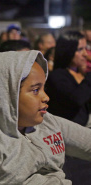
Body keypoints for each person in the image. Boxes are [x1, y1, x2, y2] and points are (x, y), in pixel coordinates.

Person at [0, 50, 91, 184]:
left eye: (44, 88)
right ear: (7, 95)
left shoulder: (49, 123)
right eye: (35, 90)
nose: (46, 97)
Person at [45, 31, 91, 185]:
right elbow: (77, 98)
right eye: (80, 49)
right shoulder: (58, 76)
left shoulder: (82, 75)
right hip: (70, 144)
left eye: (86, 48)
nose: (86, 54)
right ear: (67, 50)